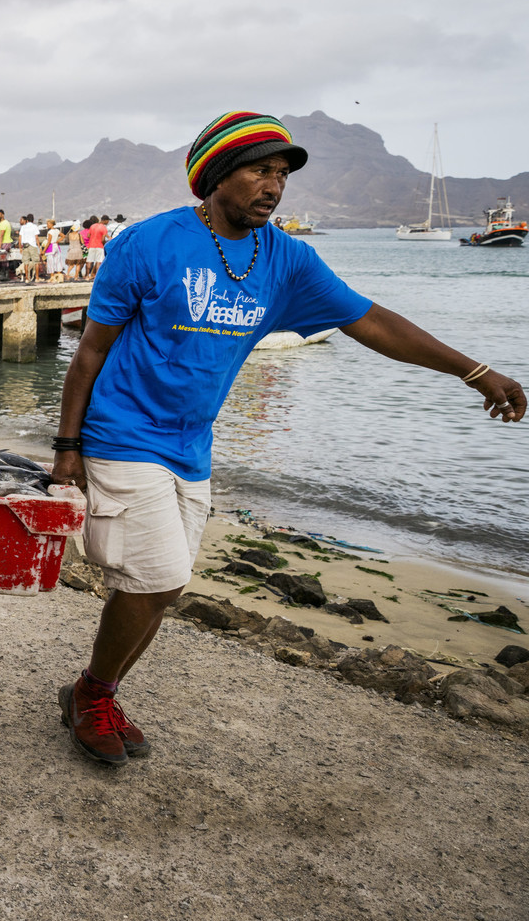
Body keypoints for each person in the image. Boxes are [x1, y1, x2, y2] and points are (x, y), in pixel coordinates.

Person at [50, 111, 526, 767]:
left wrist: (472, 371)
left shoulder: (287, 259)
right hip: (121, 433)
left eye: (281, 174)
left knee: (167, 587)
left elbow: (373, 320)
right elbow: (90, 350)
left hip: (191, 444)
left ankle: (90, 690)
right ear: (216, 176)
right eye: (259, 170)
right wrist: (66, 448)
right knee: (154, 575)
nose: (273, 186)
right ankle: (92, 696)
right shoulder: (149, 244)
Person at [85, 214, 110, 279]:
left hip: (91, 245)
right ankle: (96, 276)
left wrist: (93, 238)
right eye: (108, 221)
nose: (108, 222)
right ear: (105, 220)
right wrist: (104, 243)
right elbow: (102, 239)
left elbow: (88, 235)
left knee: (89, 261)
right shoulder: (103, 228)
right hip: (99, 246)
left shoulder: (92, 226)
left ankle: (87, 276)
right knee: (99, 261)